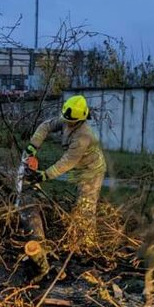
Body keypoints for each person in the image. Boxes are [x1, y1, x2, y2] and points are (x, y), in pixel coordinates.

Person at [21, 94, 107, 272]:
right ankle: (78, 239)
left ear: (80, 118)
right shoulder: (69, 118)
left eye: (70, 121)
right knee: (79, 203)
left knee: (85, 207)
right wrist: (32, 146)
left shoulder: (83, 136)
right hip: (80, 167)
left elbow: (67, 162)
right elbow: (46, 126)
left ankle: (87, 248)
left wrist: (45, 175)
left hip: (91, 171)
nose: (66, 123)